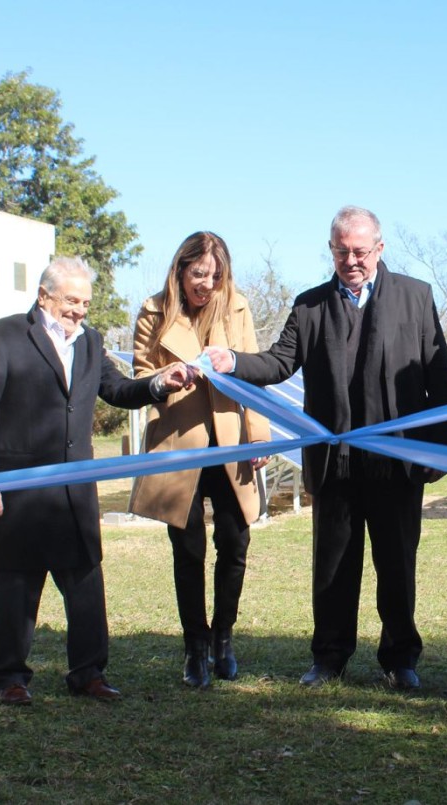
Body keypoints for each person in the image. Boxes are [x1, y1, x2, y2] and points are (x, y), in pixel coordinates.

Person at [202, 206, 447, 691]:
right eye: (341, 251)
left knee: (397, 565)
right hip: (335, 464)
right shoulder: (309, 306)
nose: (351, 260)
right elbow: (278, 364)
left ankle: (401, 659)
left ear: (380, 248)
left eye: (360, 251)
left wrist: (438, 449)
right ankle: (329, 658)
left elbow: (437, 376)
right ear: (331, 250)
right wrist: (231, 360)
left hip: (398, 462)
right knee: (334, 567)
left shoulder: (416, 297)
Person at [0, 256, 186, 706]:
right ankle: (9, 678)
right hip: (19, 489)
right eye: (71, 300)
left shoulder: (90, 343)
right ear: (44, 295)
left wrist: (160, 383)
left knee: (86, 586)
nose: (79, 310)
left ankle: (89, 674)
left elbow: (119, 390)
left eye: (85, 302)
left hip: (76, 490)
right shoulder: (1, 335)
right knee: (15, 586)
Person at [128, 232, 270, 688]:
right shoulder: (153, 310)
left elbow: (254, 376)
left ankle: (224, 639)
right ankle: (195, 648)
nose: (206, 284)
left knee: (235, 544)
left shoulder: (238, 307)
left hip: (232, 446)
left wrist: (259, 437)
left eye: (215, 275)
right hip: (179, 443)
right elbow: (139, 375)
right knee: (187, 550)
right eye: (198, 274)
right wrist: (163, 380)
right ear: (181, 271)